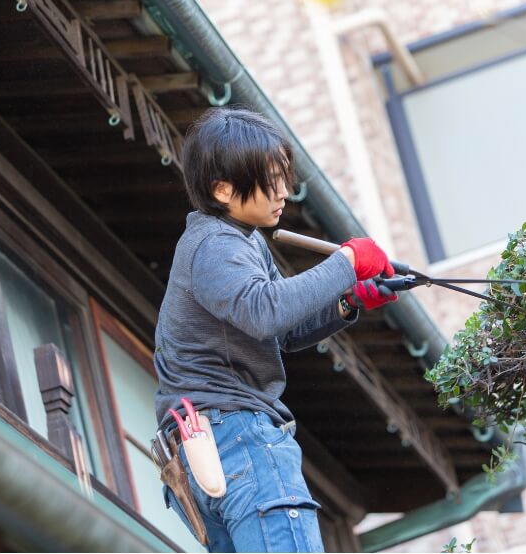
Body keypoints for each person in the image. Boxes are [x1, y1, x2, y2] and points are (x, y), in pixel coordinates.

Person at [154, 107, 397, 553]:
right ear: (222, 189)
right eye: (270, 180)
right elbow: (265, 312)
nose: (285, 191)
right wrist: (346, 262)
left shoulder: (237, 240)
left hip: (209, 446)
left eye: (284, 177)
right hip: (237, 435)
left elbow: (280, 330)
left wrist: (348, 301)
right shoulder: (214, 244)